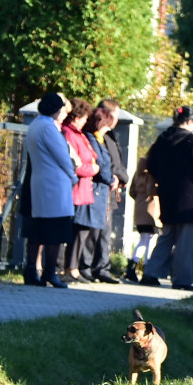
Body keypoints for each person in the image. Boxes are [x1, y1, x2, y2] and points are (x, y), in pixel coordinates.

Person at [140, 106, 193, 291]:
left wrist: (164, 181)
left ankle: (151, 272)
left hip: (167, 195)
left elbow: (151, 164)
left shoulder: (162, 140)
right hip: (188, 198)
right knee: (186, 242)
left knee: (167, 236)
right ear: (189, 122)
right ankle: (182, 280)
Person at [24, 93, 75, 289]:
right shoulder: (48, 128)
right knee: (56, 230)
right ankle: (50, 272)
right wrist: (73, 176)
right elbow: (63, 156)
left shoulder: (35, 125)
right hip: (55, 184)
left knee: (39, 229)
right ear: (56, 109)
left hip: (39, 181)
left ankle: (31, 270)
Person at [76, 107, 117, 283]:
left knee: (95, 232)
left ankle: (84, 267)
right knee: (86, 232)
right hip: (95, 190)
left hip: (102, 190)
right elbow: (100, 163)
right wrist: (110, 178)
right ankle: (80, 266)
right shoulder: (91, 139)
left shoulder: (100, 139)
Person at [61, 98, 99, 283]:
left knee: (81, 230)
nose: (86, 121)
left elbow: (90, 156)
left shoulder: (79, 134)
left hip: (83, 190)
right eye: (84, 117)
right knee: (71, 230)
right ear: (76, 117)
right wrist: (92, 169)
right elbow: (73, 163)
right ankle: (67, 268)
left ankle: (72, 267)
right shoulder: (69, 133)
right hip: (74, 189)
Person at [95, 99, 129, 285]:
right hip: (103, 190)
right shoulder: (100, 137)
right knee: (98, 232)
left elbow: (117, 164)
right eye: (114, 116)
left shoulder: (109, 137)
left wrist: (123, 177)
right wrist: (118, 176)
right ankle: (99, 268)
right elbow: (110, 164)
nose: (116, 121)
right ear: (105, 114)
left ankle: (102, 267)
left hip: (111, 190)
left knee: (105, 233)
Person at [124, 156, 161, 282]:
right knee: (150, 240)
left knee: (144, 239)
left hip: (139, 208)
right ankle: (147, 268)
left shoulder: (138, 173)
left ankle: (132, 266)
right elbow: (151, 190)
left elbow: (131, 191)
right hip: (151, 209)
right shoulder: (150, 174)